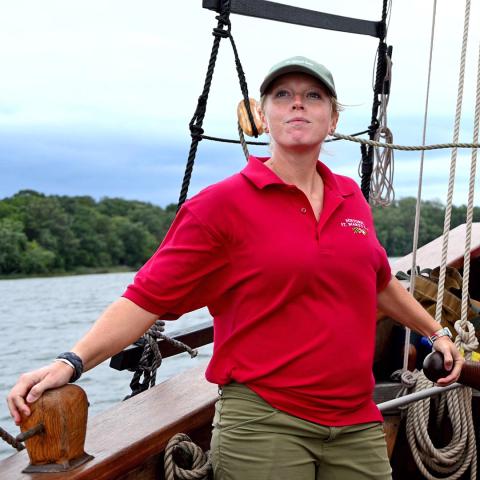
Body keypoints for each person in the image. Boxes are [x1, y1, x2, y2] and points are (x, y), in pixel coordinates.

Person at [8, 56, 464, 480]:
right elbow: (144, 299)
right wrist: (72, 361)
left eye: (313, 95)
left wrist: (438, 332)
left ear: (334, 119)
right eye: (282, 95)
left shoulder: (351, 198)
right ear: (263, 116)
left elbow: (379, 281)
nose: (298, 104)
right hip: (266, 424)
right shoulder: (220, 206)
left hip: (357, 420)